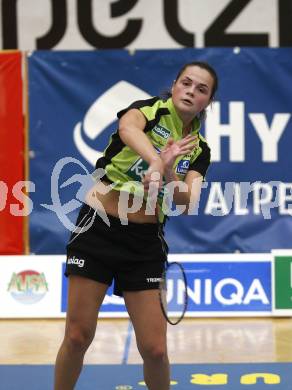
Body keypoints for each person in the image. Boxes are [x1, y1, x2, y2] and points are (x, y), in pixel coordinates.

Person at [54, 60, 218, 390]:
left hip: (143, 242)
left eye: (201, 89)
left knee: (155, 350)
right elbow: (128, 130)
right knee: (77, 336)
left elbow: (187, 202)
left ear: (208, 102)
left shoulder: (199, 150)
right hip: (97, 228)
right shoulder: (147, 109)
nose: (191, 91)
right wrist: (157, 158)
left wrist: (169, 169)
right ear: (174, 86)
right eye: (186, 83)